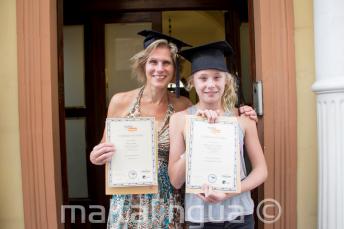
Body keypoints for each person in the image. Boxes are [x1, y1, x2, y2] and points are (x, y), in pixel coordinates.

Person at [89, 30, 258, 228]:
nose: (159, 68)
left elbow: (211, 113)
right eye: (153, 62)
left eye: (166, 63)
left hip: (167, 201)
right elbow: (104, 146)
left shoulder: (182, 106)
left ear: (174, 68)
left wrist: (242, 111)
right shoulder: (120, 101)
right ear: (144, 64)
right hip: (129, 200)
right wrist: (96, 155)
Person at [168, 41, 268, 229]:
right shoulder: (180, 120)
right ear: (192, 83)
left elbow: (261, 170)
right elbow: (175, 180)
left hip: (240, 214)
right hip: (199, 217)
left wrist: (229, 192)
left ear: (226, 80)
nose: (211, 84)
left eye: (217, 77)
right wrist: (198, 133)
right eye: (203, 78)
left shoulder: (242, 118)